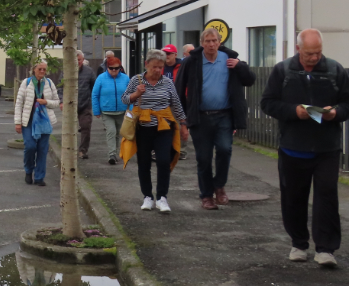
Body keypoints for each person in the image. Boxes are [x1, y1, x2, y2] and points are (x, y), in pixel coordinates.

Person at [261, 29, 349, 268]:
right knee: (293, 198)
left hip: (327, 147)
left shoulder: (335, 70)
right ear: (299, 49)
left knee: (327, 196)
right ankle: (299, 243)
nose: (314, 57)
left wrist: (335, 113)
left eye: (318, 52)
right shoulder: (283, 71)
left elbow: (347, 102)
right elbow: (267, 103)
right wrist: (294, 112)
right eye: (310, 53)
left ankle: (326, 249)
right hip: (293, 146)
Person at [174, 27, 255, 211]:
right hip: (200, 117)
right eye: (207, 41)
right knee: (203, 158)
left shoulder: (229, 60)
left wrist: (241, 66)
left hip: (224, 115)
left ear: (220, 42)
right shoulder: (192, 61)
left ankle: (219, 186)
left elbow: (250, 80)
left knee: (225, 150)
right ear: (202, 43)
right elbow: (179, 90)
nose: (211, 44)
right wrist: (182, 120)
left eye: (214, 41)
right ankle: (206, 195)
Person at [122, 48, 188, 213]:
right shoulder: (136, 80)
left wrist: (183, 123)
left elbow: (176, 103)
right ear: (147, 65)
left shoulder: (167, 82)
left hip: (164, 127)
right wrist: (136, 94)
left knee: (164, 161)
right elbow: (124, 99)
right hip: (143, 128)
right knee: (143, 163)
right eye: (155, 67)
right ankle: (147, 197)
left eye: (161, 67)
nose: (158, 70)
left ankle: (162, 197)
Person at [14, 61, 61, 187]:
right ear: (34, 69)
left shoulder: (49, 83)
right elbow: (19, 103)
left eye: (44, 70)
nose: (42, 72)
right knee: (30, 147)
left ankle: (39, 177)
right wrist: (18, 122)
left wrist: (46, 102)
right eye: (40, 69)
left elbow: (57, 102)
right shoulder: (26, 83)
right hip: (28, 121)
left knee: (42, 149)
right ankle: (29, 170)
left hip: (44, 121)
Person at [93, 55, 131, 165]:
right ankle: (112, 154)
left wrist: (131, 108)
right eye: (111, 68)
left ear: (120, 68)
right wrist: (96, 110)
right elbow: (95, 95)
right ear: (107, 67)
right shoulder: (101, 78)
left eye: (116, 68)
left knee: (118, 133)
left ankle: (116, 153)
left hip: (122, 110)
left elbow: (131, 94)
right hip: (106, 111)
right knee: (111, 132)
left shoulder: (125, 78)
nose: (114, 70)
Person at [75, 50, 96, 160]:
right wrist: (61, 101)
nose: (77, 62)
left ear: (83, 60)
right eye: (76, 60)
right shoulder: (66, 71)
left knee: (86, 128)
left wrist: (92, 101)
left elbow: (94, 88)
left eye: (79, 60)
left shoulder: (89, 72)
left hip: (85, 105)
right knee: (69, 130)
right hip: (70, 106)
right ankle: (69, 149)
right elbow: (61, 87)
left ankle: (83, 150)